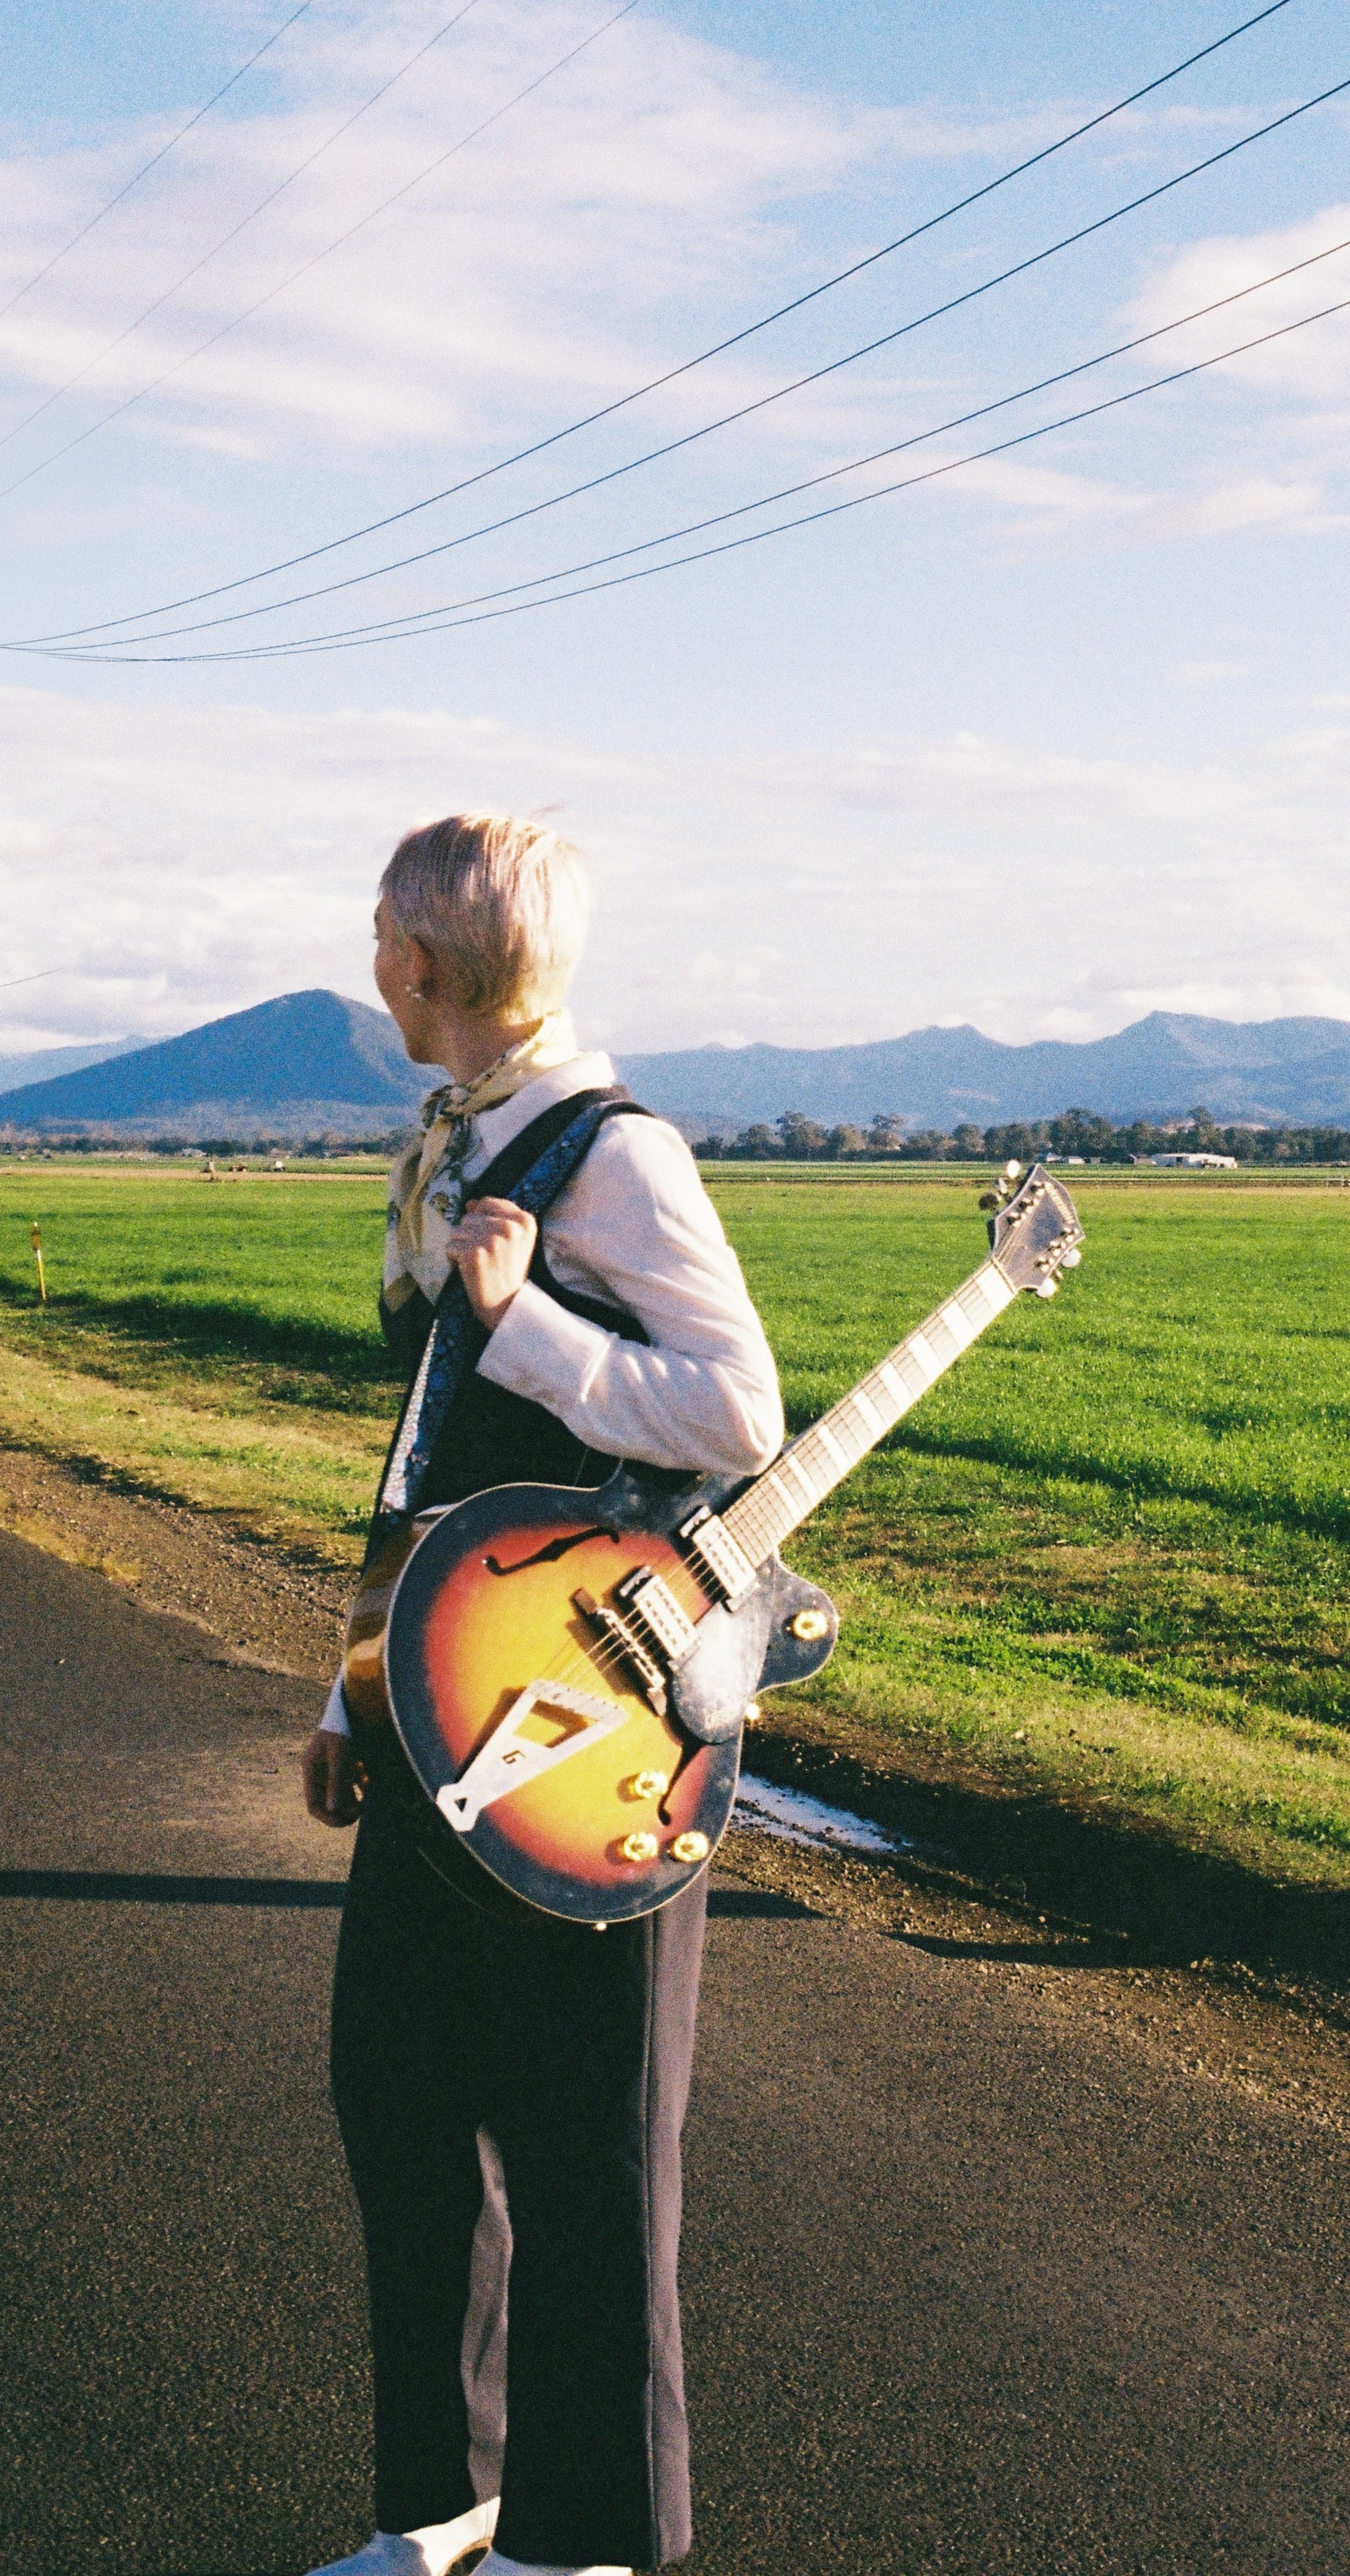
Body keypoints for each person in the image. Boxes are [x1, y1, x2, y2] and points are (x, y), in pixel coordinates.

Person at [300, 813, 783, 2576]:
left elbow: (737, 1412)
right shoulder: (465, 1141)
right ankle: (440, 2504)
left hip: (601, 1727)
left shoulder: (613, 1155)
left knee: (593, 2139)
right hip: (444, 1703)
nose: (371, 955)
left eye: (379, 930)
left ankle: (588, 2539)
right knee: (400, 2087)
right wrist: (355, 1686)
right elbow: (431, 1461)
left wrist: (528, 1326)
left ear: (419, 964)